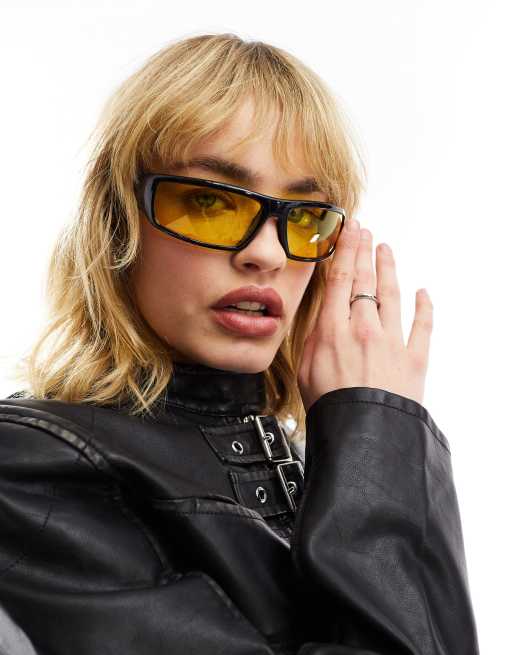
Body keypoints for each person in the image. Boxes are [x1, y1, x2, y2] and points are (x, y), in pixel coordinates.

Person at [0, 33, 479, 654]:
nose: (267, 253)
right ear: (118, 222)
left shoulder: (322, 463)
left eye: (305, 217)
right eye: (209, 202)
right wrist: (378, 439)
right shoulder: (31, 465)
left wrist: (371, 444)